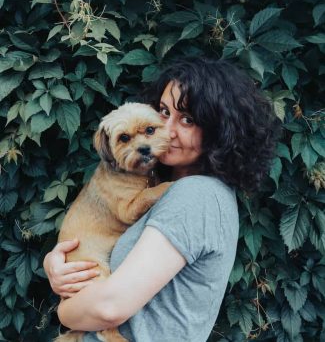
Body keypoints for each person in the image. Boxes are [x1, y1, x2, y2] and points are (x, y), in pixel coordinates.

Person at [43, 57, 278, 342]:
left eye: (188, 120)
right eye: (164, 112)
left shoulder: (196, 195)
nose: (167, 129)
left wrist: (64, 310)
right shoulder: (171, 189)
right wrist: (58, 269)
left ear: (219, 132)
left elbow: (108, 307)